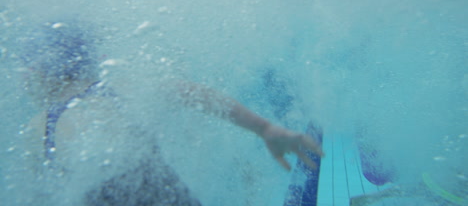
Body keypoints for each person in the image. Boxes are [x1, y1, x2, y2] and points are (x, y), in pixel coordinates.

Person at [20, 21, 324, 206]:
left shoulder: (40, 129)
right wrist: (264, 128)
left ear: (39, 71)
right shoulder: (124, 89)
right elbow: (198, 94)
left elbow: (44, 197)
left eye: (27, 69)